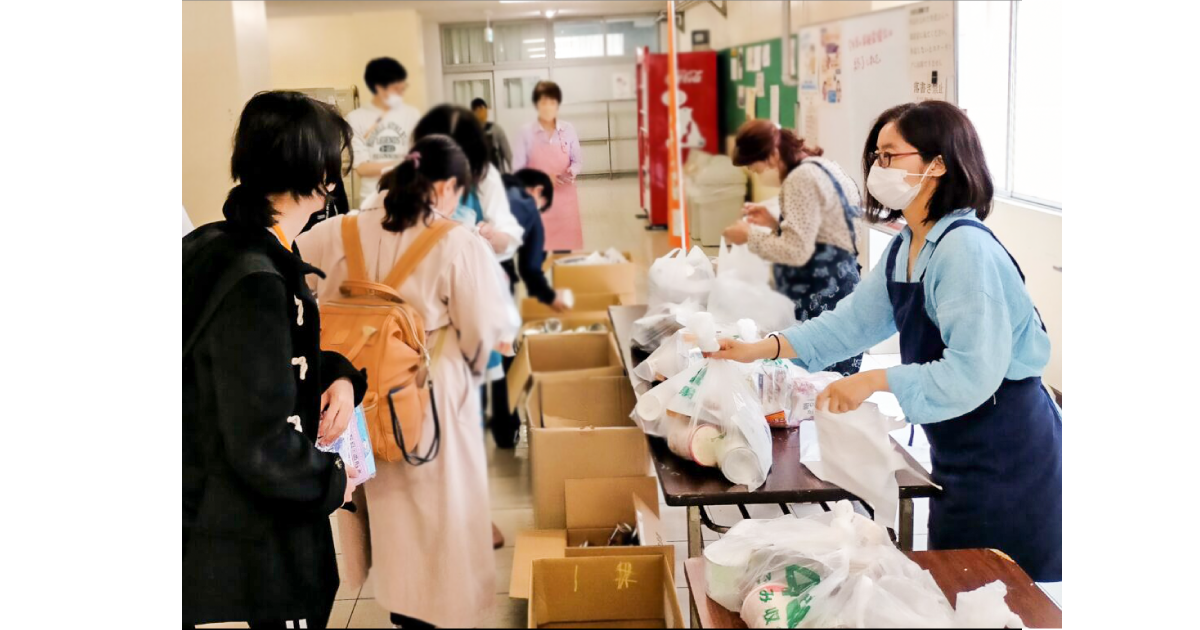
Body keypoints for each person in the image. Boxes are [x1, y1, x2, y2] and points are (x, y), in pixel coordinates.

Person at [711, 101, 1062, 583]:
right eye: (877, 155)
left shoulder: (965, 250)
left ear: (937, 163)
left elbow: (973, 372)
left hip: (1007, 447)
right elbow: (849, 324)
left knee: (1005, 589)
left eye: (892, 155)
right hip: (957, 440)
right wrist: (762, 347)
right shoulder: (909, 243)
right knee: (960, 579)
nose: (880, 168)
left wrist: (873, 380)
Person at [297, 135, 507, 628]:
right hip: (422, 400)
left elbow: (294, 297)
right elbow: (485, 336)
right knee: (430, 524)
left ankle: (396, 606)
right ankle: (425, 616)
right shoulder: (456, 241)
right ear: (449, 186)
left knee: (379, 511)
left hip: (349, 401)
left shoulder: (330, 233)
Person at [183, 91, 368, 629]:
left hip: (242, 520)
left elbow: (265, 361)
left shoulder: (228, 246)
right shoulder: (255, 277)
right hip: (250, 539)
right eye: (332, 164)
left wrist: (338, 377)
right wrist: (335, 478)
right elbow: (258, 439)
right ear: (314, 172)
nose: (334, 182)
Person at [722, 119, 863, 375]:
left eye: (756, 169)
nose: (758, 176)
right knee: (837, 365)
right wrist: (774, 223)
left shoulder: (800, 179)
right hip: (842, 281)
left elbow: (796, 251)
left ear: (773, 155)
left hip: (824, 290)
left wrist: (749, 235)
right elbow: (817, 233)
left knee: (822, 373)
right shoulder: (822, 166)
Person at [489, 167, 571, 448]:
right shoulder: (525, 206)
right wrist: (550, 297)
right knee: (503, 354)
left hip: (454, 279)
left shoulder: (484, 188)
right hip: (494, 283)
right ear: (537, 191)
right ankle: (504, 427)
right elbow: (530, 269)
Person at [512, 80, 584, 252]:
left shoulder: (568, 129)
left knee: (563, 256)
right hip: (538, 203)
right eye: (544, 102)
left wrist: (570, 172)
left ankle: (562, 279)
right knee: (537, 255)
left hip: (564, 203)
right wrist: (544, 179)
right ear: (537, 104)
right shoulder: (526, 133)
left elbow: (577, 161)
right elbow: (518, 170)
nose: (548, 107)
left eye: (552, 102)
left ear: (558, 105)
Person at [345, 57, 422, 206]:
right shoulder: (355, 118)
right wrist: (402, 163)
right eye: (396, 89)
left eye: (402, 88)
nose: (401, 93)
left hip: (407, 196)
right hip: (372, 199)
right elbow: (362, 168)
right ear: (379, 88)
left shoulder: (412, 115)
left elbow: (419, 158)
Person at [472, 97, 513, 174]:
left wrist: (515, 174)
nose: (480, 112)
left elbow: (508, 154)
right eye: (476, 110)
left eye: (482, 108)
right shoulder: (469, 132)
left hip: (497, 174)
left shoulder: (496, 129)